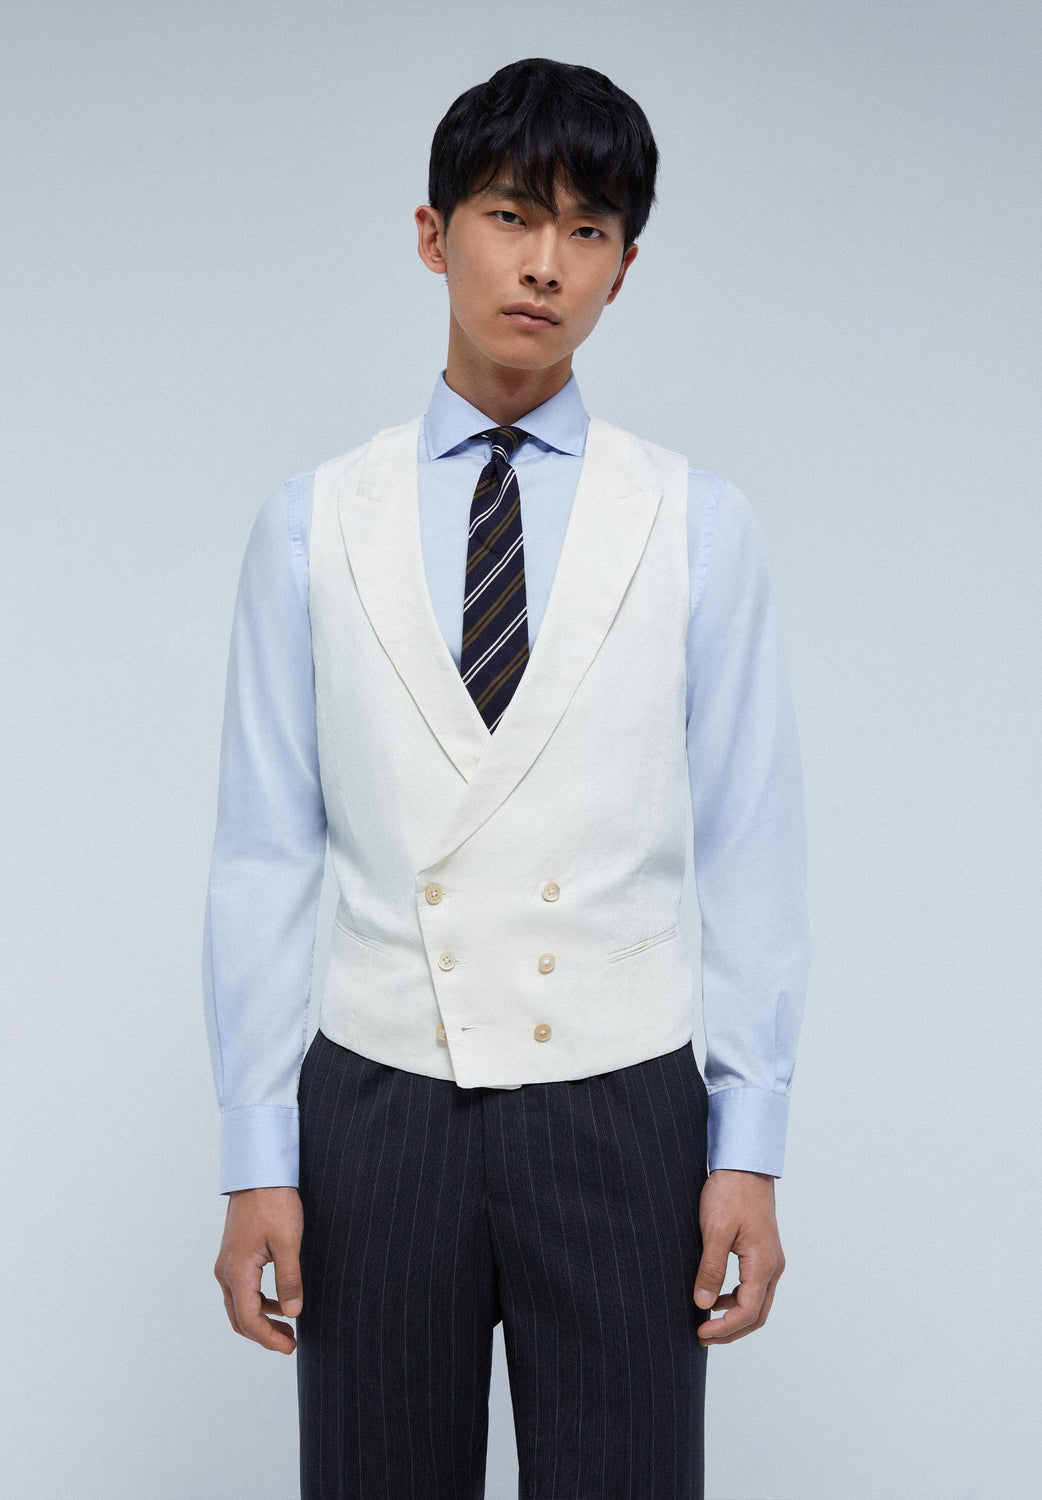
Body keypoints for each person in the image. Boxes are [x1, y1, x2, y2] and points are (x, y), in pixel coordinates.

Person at [204, 56, 810, 1500]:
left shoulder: (696, 524)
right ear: (434, 235)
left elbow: (750, 848)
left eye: (588, 230)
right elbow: (264, 850)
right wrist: (255, 1154)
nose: (545, 263)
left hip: (619, 1104)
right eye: (510, 214)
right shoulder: (310, 524)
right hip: (377, 1102)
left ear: (624, 268)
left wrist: (750, 1144)